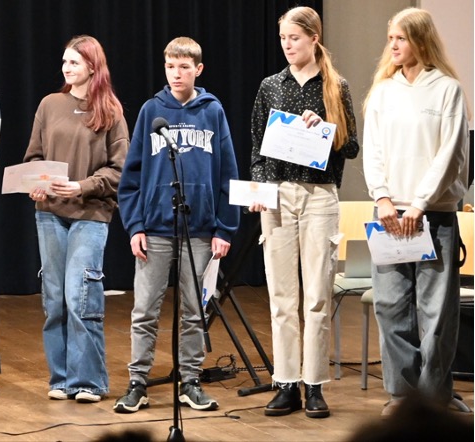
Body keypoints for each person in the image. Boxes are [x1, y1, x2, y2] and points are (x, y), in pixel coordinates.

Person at [114, 37, 239, 413]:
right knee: (144, 310)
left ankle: (190, 381)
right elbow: (131, 177)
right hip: (154, 229)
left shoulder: (212, 112)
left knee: (193, 310)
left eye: (184, 66)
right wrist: (134, 225)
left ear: (198, 70)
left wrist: (224, 228)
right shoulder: (152, 110)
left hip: (199, 230)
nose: (176, 73)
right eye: (170, 66)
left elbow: (227, 173)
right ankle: (138, 383)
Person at [248, 6, 358, 418]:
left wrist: (326, 126)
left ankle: (314, 384)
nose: (287, 46)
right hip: (279, 195)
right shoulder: (270, 86)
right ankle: (286, 382)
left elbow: (351, 148)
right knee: (281, 296)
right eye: (282, 39)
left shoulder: (335, 86)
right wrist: (260, 188)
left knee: (316, 294)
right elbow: (257, 147)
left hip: (319, 196)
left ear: (314, 38)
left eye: (294, 38)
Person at [362, 7, 469, 417]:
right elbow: (373, 151)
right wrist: (384, 197)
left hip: (433, 215)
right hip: (390, 216)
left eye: (400, 39)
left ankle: (434, 399)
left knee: (436, 315)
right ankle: (405, 396)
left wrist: (420, 204)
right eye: (390, 38)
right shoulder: (383, 92)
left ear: (421, 41)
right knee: (391, 308)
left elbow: (449, 155)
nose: (392, 46)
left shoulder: (447, 90)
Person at [24, 35, 129, 403]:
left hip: (91, 213)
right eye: (65, 62)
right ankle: (62, 378)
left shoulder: (111, 110)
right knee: (54, 300)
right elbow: (34, 157)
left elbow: (121, 170)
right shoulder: (50, 104)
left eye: (74, 62)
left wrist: (82, 186)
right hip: (50, 214)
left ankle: (89, 381)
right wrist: (35, 185)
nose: (67, 68)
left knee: (80, 295)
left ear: (92, 67)